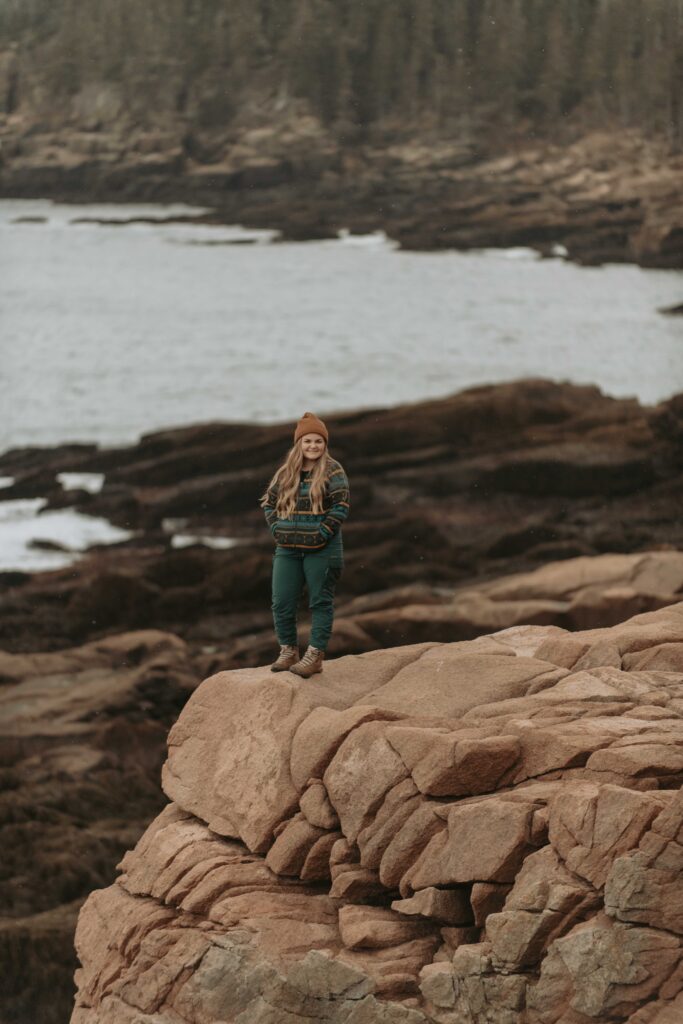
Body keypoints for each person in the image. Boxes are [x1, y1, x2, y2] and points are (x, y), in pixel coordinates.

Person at [260, 412, 350, 677]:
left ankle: (314, 656)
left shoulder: (334, 470)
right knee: (282, 602)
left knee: (320, 602)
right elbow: (269, 504)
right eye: (308, 441)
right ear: (299, 443)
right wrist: (277, 529)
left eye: (318, 441)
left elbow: (341, 506)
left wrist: (322, 533)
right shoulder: (286, 472)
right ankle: (288, 651)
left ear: (325, 444)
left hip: (323, 549)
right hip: (287, 549)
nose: (313, 446)